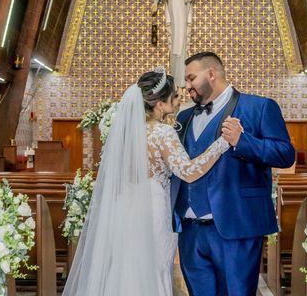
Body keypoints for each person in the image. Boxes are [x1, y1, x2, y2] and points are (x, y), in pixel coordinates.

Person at [63, 67, 231, 296]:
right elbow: (189, 171)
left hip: (125, 209)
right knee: (153, 271)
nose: (178, 98)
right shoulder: (162, 133)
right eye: (173, 95)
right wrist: (222, 143)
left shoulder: (124, 134)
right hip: (152, 212)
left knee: (125, 270)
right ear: (160, 104)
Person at [171, 52, 295, 296]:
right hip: (190, 230)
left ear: (212, 74)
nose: (186, 87)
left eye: (191, 78)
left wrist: (242, 141)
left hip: (237, 226)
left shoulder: (259, 107)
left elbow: (285, 154)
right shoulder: (184, 117)